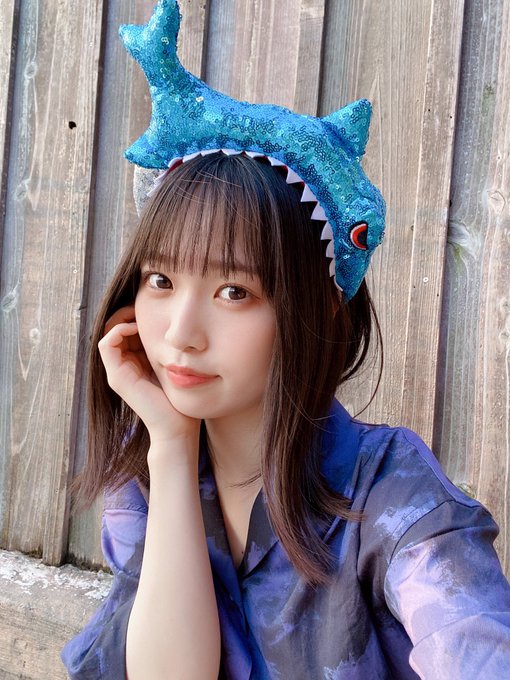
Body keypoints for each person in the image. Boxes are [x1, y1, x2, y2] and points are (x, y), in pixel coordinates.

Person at [62, 2, 510, 679]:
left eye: (234, 292)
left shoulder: (391, 494)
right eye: (161, 280)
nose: (179, 333)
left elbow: (473, 642)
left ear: (316, 310)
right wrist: (173, 449)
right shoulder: (145, 473)